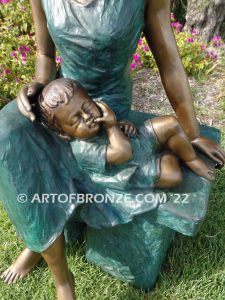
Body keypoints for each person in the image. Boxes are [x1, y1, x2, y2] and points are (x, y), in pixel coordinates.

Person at [0, 1, 224, 299]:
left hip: (103, 112)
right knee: (6, 132)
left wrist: (191, 133)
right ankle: (49, 254)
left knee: (85, 160)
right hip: (59, 109)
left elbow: (169, 61)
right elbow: (44, 53)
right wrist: (39, 84)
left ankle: (42, 234)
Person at [38, 78, 217, 183]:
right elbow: (122, 153)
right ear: (65, 133)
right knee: (173, 176)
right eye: (76, 119)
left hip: (138, 141)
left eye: (87, 106)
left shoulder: (100, 118)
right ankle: (169, 153)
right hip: (132, 167)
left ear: (92, 100)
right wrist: (112, 125)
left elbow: (118, 133)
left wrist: (123, 125)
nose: (87, 117)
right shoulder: (83, 149)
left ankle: (191, 159)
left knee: (170, 122)